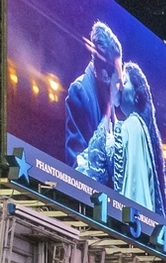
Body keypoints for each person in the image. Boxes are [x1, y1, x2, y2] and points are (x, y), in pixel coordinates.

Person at [65, 22, 124, 168]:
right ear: (105, 76)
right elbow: (75, 165)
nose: (121, 86)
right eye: (118, 81)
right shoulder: (79, 92)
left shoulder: (107, 95)